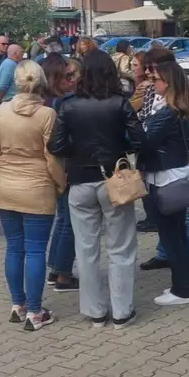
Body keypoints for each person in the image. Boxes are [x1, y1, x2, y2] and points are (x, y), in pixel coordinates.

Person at [48, 50, 146, 329]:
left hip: (80, 181)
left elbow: (54, 146)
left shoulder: (67, 105)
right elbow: (140, 139)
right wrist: (121, 150)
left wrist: (77, 153)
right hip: (114, 179)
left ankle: (95, 312)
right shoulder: (120, 103)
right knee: (121, 248)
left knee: (86, 249)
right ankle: (122, 311)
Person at [0, 61, 66, 331]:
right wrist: (60, 184)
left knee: (14, 247)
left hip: (6, 185)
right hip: (37, 186)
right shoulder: (47, 114)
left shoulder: (1, 110)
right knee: (35, 250)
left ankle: (18, 305)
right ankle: (35, 311)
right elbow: (52, 158)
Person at [138, 55, 189, 306]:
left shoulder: (168, 113)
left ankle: (182, 289)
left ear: (169, 82)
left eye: (156, 79)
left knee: (171, 235)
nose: (153, 83)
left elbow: (145, 139)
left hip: (166, 179)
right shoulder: (179, 108)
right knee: (178, 234)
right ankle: (187, 284)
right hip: (173, 174)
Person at [40, 54, 80, 292]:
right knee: (70, 220)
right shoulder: (57, 103)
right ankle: (63, 273)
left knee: (63, 218)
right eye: (68, 75)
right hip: (63, 166)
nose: (72, 79)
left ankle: (56, 269)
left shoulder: (45, 100)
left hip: (53, 167)